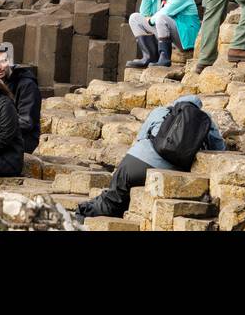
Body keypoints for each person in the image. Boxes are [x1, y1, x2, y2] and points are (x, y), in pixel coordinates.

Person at [74, 95, 226, 221]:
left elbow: (141, 138)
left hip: (135, 161)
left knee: (113, 200)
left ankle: (81, 214)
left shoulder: (161, 111)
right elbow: (219, 148)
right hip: (168, 171)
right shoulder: (205, 120)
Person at [126, 0, 200, 68]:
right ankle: (149, 57)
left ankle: (164, 58)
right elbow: (144, 13)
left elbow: (166, 11)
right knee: (135, 18)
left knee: (161, 17)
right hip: (167, 35)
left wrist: (150, 20)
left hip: (184, 37)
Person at [0, 43, 40, 153]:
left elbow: (26, 122)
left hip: (23, 140)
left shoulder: (27, 85)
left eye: (3, 61)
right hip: (0, 135)